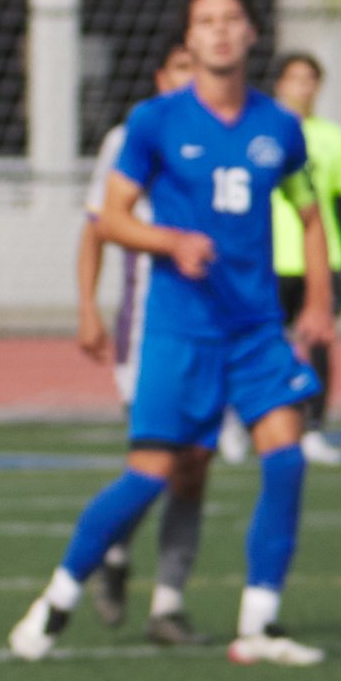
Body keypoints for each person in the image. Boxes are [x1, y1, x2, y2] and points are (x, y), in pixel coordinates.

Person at [10, 0, 334, 669]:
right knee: (151, 474)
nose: (218, 31)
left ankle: (260, 624)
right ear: (188, 40)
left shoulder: (278, 127)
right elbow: (112, 219)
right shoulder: (154, 123)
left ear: (252, 34)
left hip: (253, 330)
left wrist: (316, 300)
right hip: (179, 330)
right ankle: (58, 598)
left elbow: (308, 213)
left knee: (286, 456)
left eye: (231, 19)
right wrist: (171, 242)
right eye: (204, 21)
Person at [76, 41, 210, 645]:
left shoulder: (232, 134)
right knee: (152, 465)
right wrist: (87, 307)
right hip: (147, 335)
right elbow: (97, 228)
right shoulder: (132, 137)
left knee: (195, 468)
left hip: (218, 335)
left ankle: (168, 603)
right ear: (163, 75)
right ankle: (113, 551)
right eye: (182, 66)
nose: (192, 77)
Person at [269, 52, 341, 467]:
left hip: (320, 259)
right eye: (294, 78)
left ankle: (314, 428)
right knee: (262, 344)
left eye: (309, 79)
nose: (302, 87)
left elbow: (338, 202)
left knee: (318, 344)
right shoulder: (266, 133)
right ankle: (242, 419)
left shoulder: (332, 137)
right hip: (274, 257)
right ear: (279, 85)